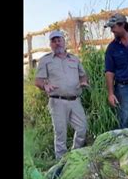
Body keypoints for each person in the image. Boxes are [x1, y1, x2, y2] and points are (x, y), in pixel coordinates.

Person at [34, 30, 90, 160]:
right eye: (54, 41)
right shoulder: (46, 60)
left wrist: (83, 82)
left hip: (75, 100)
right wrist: (45, 86)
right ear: (50, 44)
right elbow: (38, 81)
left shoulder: (74, 59)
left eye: (59, 40)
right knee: (60, 134)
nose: (57, 43)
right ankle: (61, 164)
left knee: (82, 128)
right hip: (57, 101)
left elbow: (83, 75)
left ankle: (74, 156)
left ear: (64, 41)